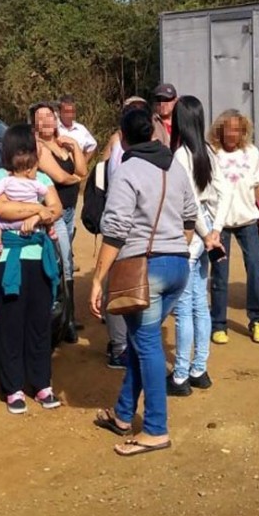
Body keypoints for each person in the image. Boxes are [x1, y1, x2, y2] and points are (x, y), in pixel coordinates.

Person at [90, 105, 196, 456]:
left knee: (147, 345)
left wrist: (98, 279)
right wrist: (175, 245)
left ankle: (155, 429)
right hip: (178, 265)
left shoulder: (127, 170)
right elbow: (190, 216)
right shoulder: (175, 167)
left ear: (122, 138)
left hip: (144, 269)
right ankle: (123, 414)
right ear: (152, 133)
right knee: (142, 341)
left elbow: (115, 230)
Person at [0, 124, 64, 414]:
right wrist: (39, 211)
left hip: (38, 260)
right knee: (10, 324)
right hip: (6, 261)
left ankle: (42, 383)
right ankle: (13, 387)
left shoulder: (42, 177)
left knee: (39, 324)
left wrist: (40, 216)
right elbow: (2, 210)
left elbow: (57, 208)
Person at [168, 96, 230, 396]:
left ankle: (181, 375)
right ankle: (199, 369)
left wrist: (207, 235)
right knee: (199, 305)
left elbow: (189, 202)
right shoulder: (208, 152)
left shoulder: (181, 155)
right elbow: (225, 193)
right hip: (205, 236)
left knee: (184, 309)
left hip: (190, 236)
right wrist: (216, 230)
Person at [209, 109, 259, 345]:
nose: (233, 134)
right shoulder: (212, 153)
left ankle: (258, 320)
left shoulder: (252, 152)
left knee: (255, 269)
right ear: (220, 130)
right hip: (220, 224)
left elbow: (257, 186)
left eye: (237, 130)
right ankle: (218, 324)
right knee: (220, 273)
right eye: (229, 129)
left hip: (248, 221)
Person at [98, 95, 148, 369]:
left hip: (128, 227)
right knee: (123, 285)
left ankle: (123, 345)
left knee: (122, 285)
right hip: (131, 226)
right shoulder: (122, 147)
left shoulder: (122, 147)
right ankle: (122, 346)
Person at [31, 101, 87, 343]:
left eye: (50, 116)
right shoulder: (38, 147)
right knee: (63, 261)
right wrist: (78, 177)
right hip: (53, 214)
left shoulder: (63, 142)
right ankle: (65, 321)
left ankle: (68, 316)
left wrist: (74, 146)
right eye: (40, 117)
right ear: (34, 123)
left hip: (69, 211)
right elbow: (60, 177)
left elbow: (82, 169)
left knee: (66, 260)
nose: (46, 121)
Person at [0, 154, 58, 260]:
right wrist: (40, 207)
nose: (37, 173)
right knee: (47, 212)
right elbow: (45, 192)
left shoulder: (6, 180)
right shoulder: (35, 183)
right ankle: (51, 231)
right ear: (28, 170)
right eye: (36, 170)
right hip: (31, 220)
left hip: (12, 222)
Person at [57, 94, 98, 162]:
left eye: (72, 111)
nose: (70, 115)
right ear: (59, 112)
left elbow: (92, 146)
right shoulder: (54, 127)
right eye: (67, 112)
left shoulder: (81, 129)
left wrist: (83, 162)